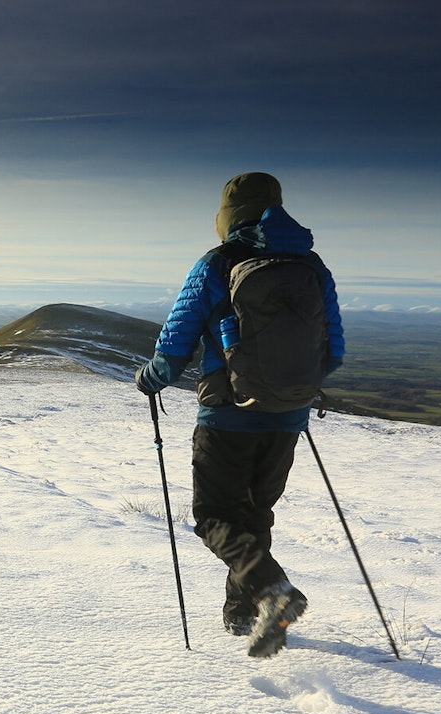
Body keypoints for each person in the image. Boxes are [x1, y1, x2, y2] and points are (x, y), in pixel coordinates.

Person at [134, 172, 344, 656]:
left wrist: (150, 379)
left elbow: (175, 345)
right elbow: (332, 350)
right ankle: (244, 610)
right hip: (288, 417)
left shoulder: (217, 263)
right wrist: (290, 387)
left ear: (226, 217)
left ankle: (272, 592)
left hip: (227, 417)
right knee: (253, 513)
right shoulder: (312, 266)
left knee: (212, 516)